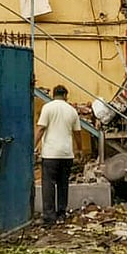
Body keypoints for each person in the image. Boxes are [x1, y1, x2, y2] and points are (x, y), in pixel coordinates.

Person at [35, 85, 81, 226]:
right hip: (67, 154)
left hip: (50, 154)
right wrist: (80, 149)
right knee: (63, 184)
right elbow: (77, 133)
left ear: (53, 94)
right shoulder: (72, 111)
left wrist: (34, 145)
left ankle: (49, 216)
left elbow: (41, 128)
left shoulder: (47, 108)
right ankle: (62, 213)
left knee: (48, 184)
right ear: (66, 96)